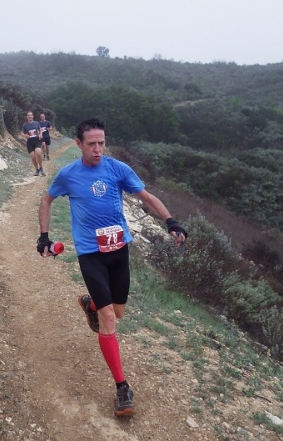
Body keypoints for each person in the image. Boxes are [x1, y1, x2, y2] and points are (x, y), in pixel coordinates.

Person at [37, 117, 187, 417]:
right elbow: (46, 200)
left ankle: (91, 304)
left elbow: (146, 197)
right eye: (91, 144)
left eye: (101, 143)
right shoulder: (68, 175)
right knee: (109, 319)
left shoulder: (118, 169)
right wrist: (44, 237)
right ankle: (122, 388)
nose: (97, 149)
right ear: (78, 144)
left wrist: (170, 221)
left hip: (119, 251)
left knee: (117, 311)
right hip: (90, 254)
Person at [21, 111, 45, 176]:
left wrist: (40, 134)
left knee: (38, 153)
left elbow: (40, 130)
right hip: (30, 142)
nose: (30, 116)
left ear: (33, 116)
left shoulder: (36, 123)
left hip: (37, 141)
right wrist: (25, 135)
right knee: (33, 157)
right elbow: (21, 133)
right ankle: (37, 169)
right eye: (28, 115)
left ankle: (41, 168)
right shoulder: (25, 125)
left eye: (31, 115)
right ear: (27, 117)